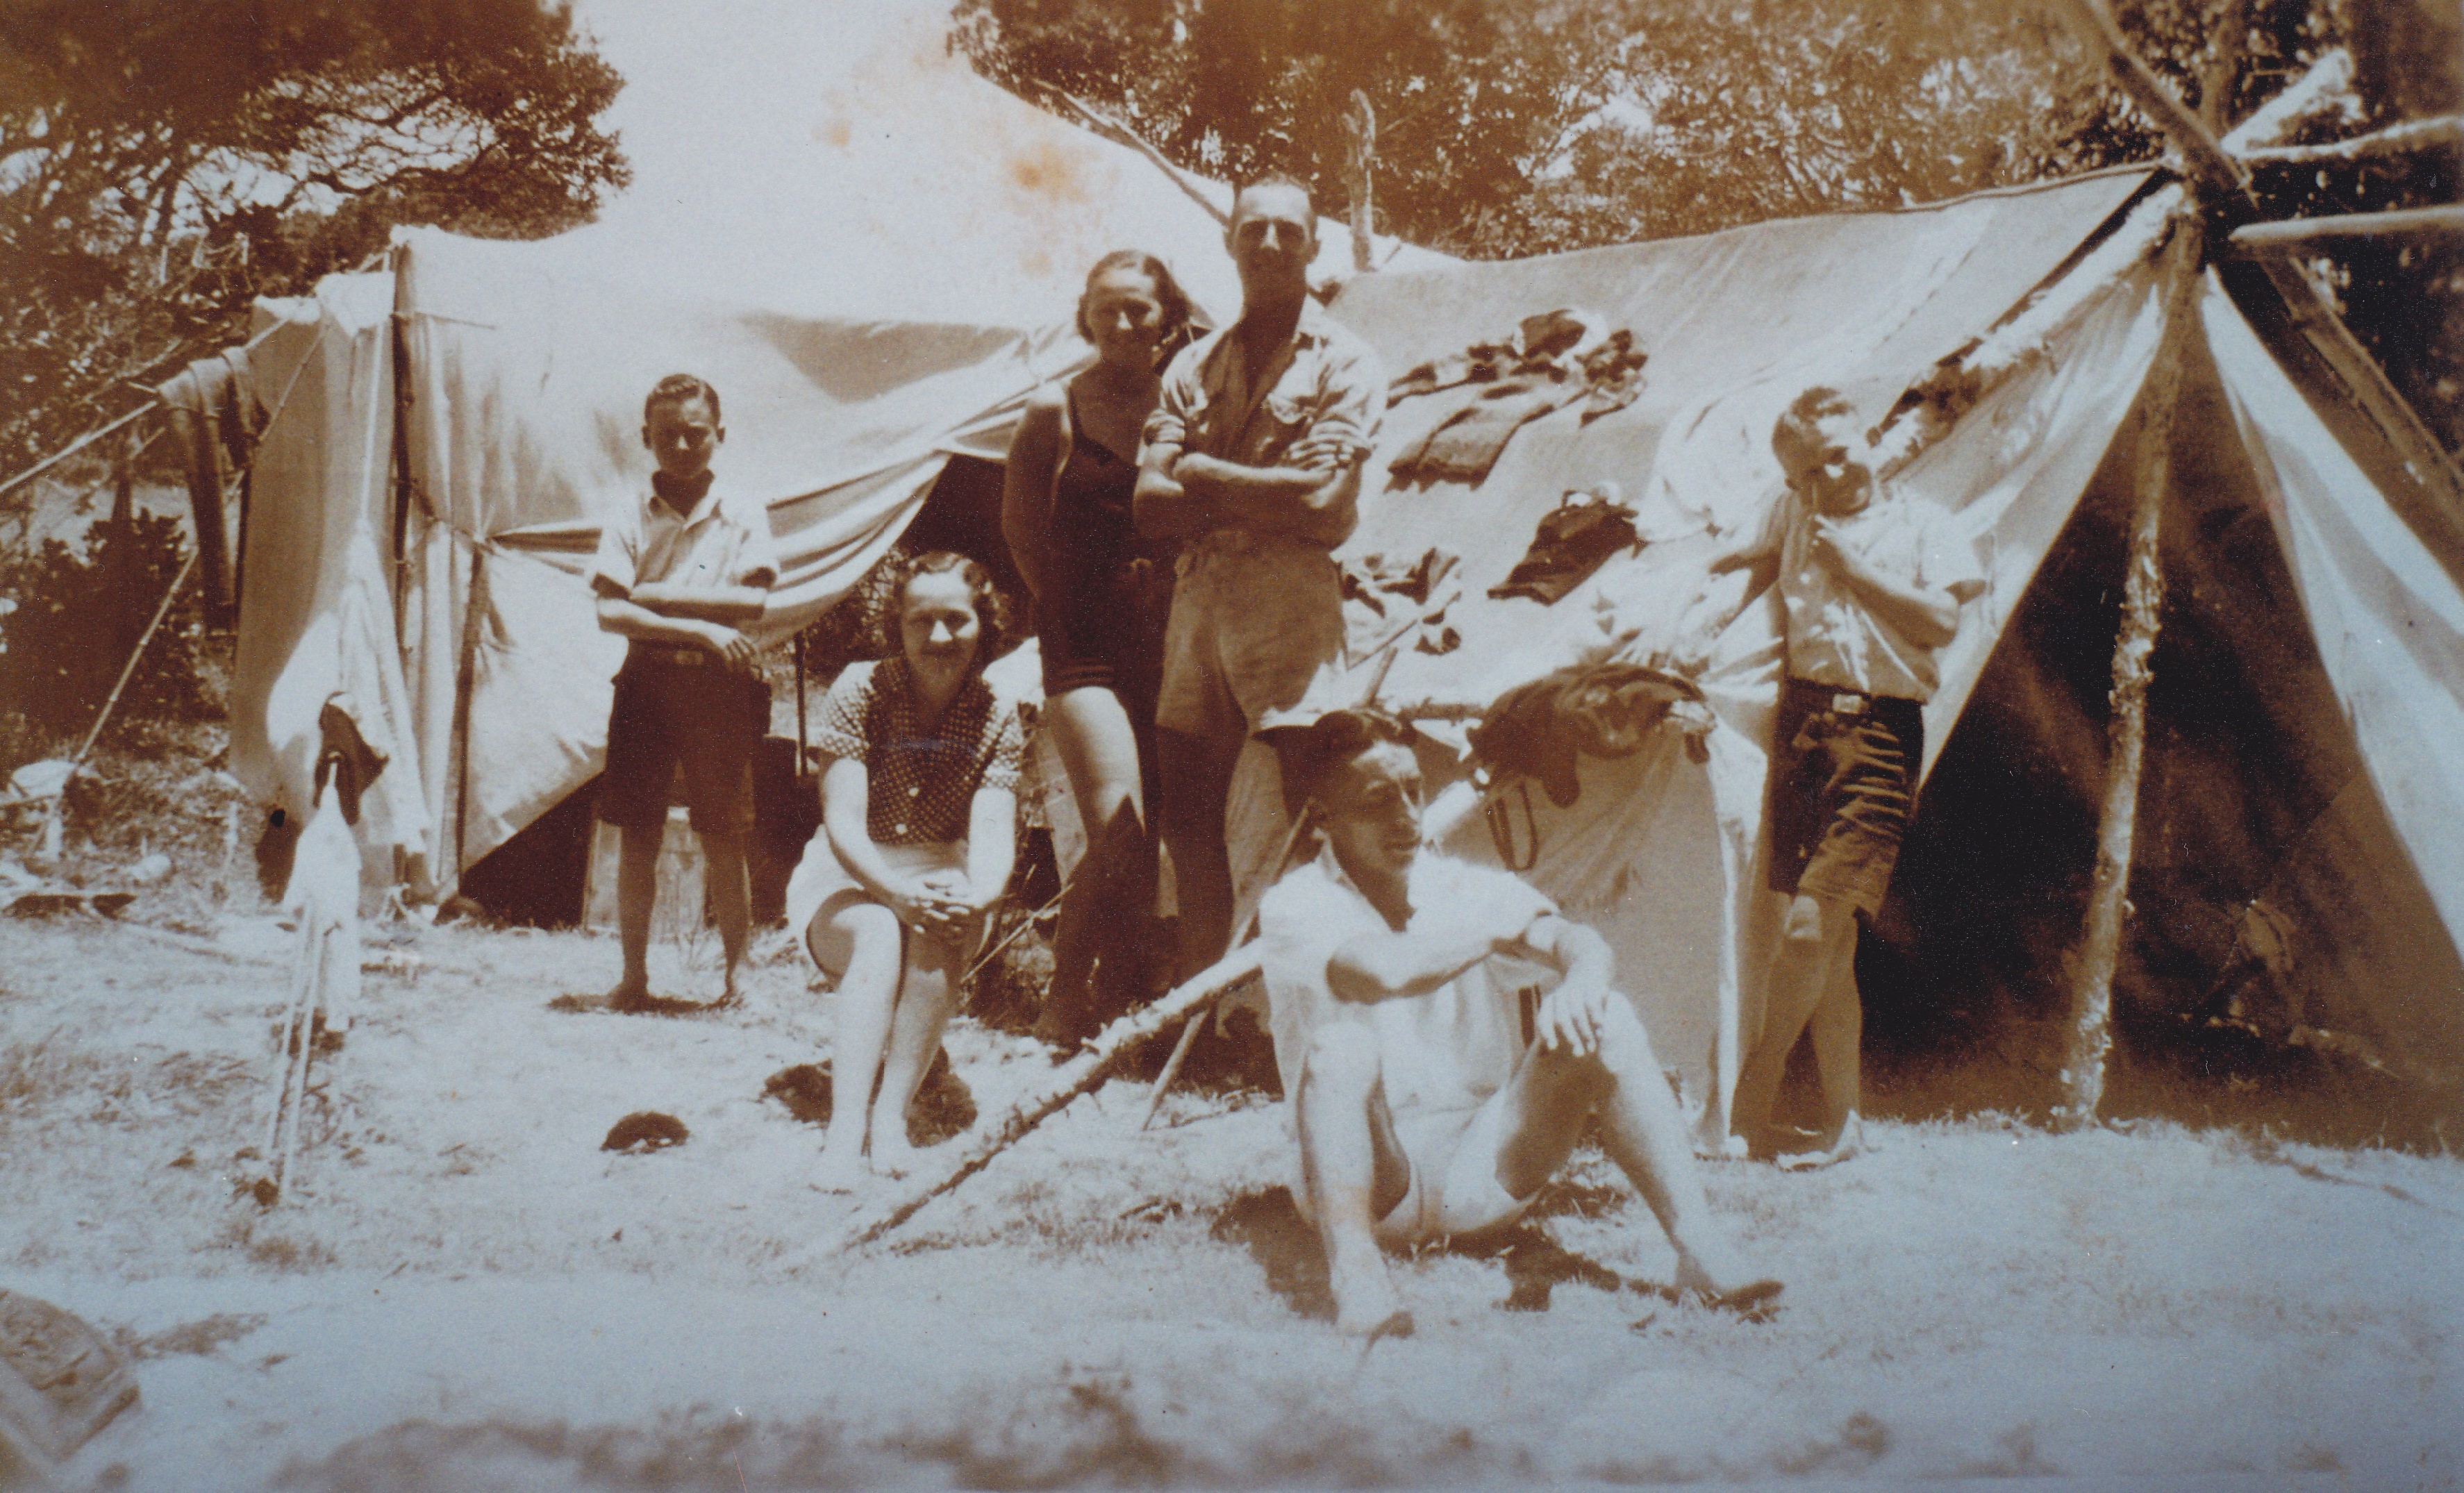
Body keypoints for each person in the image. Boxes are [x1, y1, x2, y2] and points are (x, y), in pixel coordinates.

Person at [1256, 708, 1783, 1340]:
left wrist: (1583, 983)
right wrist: (1493, 932)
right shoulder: (1295, 904)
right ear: (1322, 819)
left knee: (1608, 1015)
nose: (1405, 817)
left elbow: (1579, 944)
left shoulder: (1459, 884)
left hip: (1486, 1166)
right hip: (1369, 1177)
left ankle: (1698, 1246)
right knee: (1340, 1047)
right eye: (1377, 801)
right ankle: (1358, 1278)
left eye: (1413, 791)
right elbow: (1385, 974)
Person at [1704, 387, 1986, 1168]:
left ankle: (1747, 1105)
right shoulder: (1794, 515)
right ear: (1791, 483)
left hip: (1879, 738)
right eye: (1810, 469)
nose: (1832, 472)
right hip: (1803, 733)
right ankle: (1843, 1123)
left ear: (1866, 436)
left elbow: (1940, 622)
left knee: (1805, 932)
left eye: (1839, 450)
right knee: (1826, 952)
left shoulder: (1925, 523)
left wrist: (1851, 566)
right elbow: (1747, 555)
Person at [1135, 172, 1385, 985]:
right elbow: (1148, 505)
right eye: (1254, 229)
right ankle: (1202, 1000)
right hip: (1199, 603)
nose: (1271, 244)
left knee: (1314, 814)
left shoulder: (1345, 360)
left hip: (1289, 605)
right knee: (1187, 813)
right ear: (1229, 240)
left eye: (1288, 230)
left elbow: (1323, 507)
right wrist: (1250, 490)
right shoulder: (1192, 363)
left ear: (1315, 245)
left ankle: (1323, 999)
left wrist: (1201, 471)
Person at [1001, 251, 1198, 1049]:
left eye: (1139, 311)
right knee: (1117, 831)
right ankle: (1060, 1002)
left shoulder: (1187, 402)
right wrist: (1066, 601)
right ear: (1085, 314)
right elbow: (1019, 530)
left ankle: (1118, 1003)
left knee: (1152, 841)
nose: (1122, 325)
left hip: (1169, 637)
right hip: (1081, 641)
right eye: (1106, 309)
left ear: (1165, 317)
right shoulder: (1053, 408)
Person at [785, 551, 1027, 1190]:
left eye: (956, 620)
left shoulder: (999, 712)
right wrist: (895, 894)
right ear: (898, 625)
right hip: (847, 874)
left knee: (944, 921)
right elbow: (842, 824)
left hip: (938, 870)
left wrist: (978, 896)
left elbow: (995, 835)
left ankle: (891, 1117)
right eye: (922, 621)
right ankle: (845, 1131)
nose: (940, 638)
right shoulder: (860, 689)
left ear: (985, 625)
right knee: (879, 932)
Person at [589, 373, 779, 1010]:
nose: (681, 445)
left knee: (724, 834)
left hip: (718, 692)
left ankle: (738, 977)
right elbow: (609, 614)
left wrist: (651, 594)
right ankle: (634, 978)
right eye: (666, 434)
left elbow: (752, 602)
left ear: (718, 435)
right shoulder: (626, 509)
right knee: (637, 833)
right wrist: (700, 625)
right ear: (646, 438)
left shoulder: (744, 509)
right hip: (645, 684)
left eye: (695, 433)